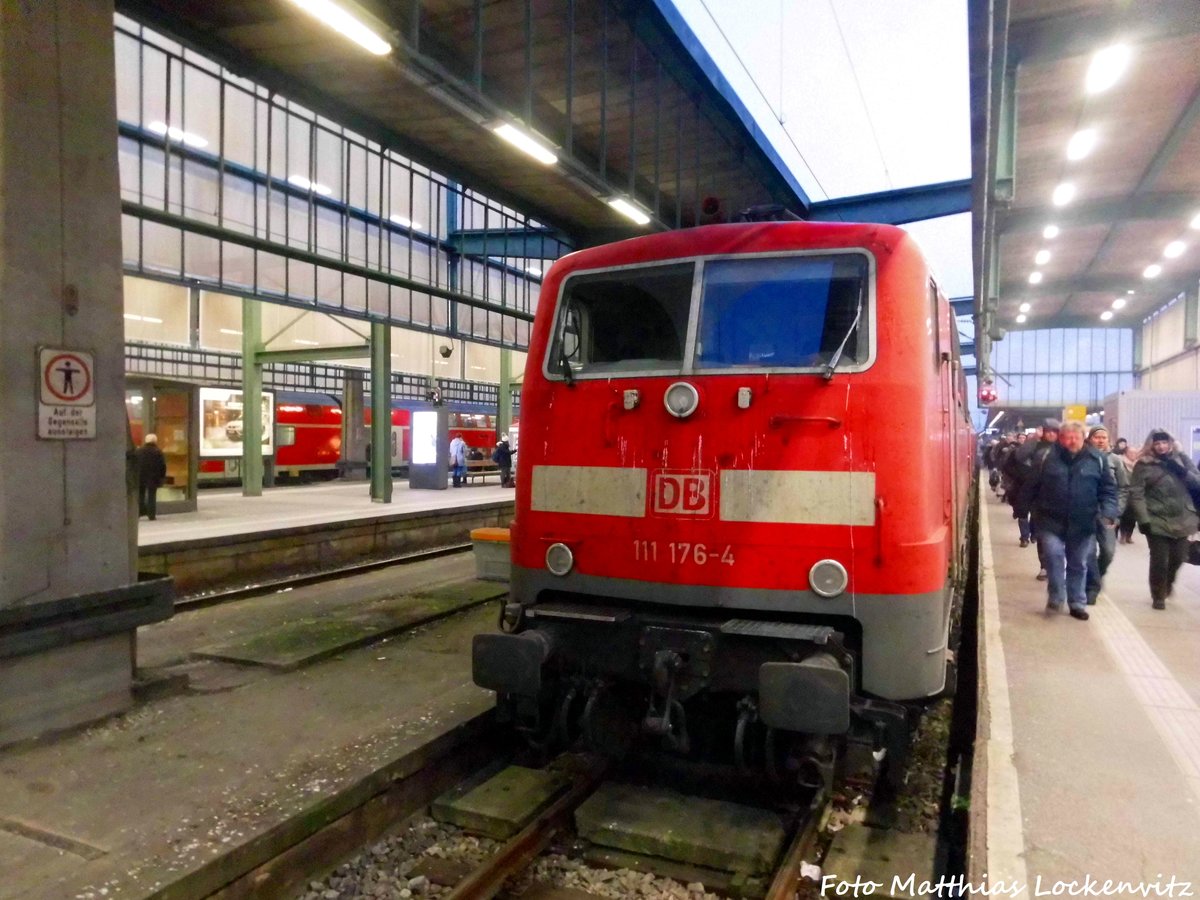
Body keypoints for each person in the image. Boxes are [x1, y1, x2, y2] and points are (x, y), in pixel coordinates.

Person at [1026, 421, 1118, 620]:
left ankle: (1077, 602)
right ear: (1060, 438)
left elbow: (1108, 490)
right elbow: (1031, 485)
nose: (1072, 441)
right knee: (1053, 557)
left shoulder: (1097, 460)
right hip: (1051, 521)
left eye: (1076, 437)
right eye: (1068, 437)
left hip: (1083, 523)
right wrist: (1023, 508)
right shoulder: (1046, 458)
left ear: (1084, 437)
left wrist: (1109, 511)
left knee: (1078, 564)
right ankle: (1056, 598)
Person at [1129, 428, 1200, 610]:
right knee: (1160, 559)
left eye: (1164, 443)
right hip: (1156, 518)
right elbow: (1136, 493)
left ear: (1171, 443)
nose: (1161, 447)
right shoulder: (1143, 465)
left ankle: (1168, 583)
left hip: (1183, 517)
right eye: (1157, 443)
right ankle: (1158, 594)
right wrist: (1143, 519)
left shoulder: (1182, 460)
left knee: (1178, 557)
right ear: (1151, 445)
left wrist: (1182, 470)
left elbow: (1197, 482)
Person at [1006, 421, 1060, 571]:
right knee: (1043, 534)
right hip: (1039, 498)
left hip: (1060, 500)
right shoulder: (1034, 448)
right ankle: (1044, 565)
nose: (1051, 434)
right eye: (1048, 431)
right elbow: (1018, 458)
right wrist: (1033, 440)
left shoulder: (1064, 450)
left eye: (1055, 431)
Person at [1084, 425, 1129, 604]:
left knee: (1108, 551)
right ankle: (1092, 586)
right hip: (1086, 513)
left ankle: (1097, 574)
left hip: (1107, 515)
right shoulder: (1083, 458)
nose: (1100, 440)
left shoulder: (1116, 460)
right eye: (1097, 437)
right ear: (1090, 439)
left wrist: (1116, 511)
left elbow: (1124, 488)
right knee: (1088, 552)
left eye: (1103, 437)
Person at [136, 433, 167, 520]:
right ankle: (151, 515)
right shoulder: (158, 452)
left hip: (140, 476)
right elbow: (163, 466)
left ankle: (139, 512)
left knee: (140, 495)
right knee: (151, 496)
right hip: (153, 477)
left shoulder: (139, 451)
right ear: (155, 441)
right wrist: (162, 477)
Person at [1115, 437, 1140, 543]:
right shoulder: (1121, 462)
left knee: (1132, 517)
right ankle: (1122, 535)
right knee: (1122, 514)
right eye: (1131, 452)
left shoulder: (1138, 465)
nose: (1133, 455)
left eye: (1135, 453)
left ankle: (1129, 535)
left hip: (1134, 493)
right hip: (1123, 492)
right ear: (1126, 453)